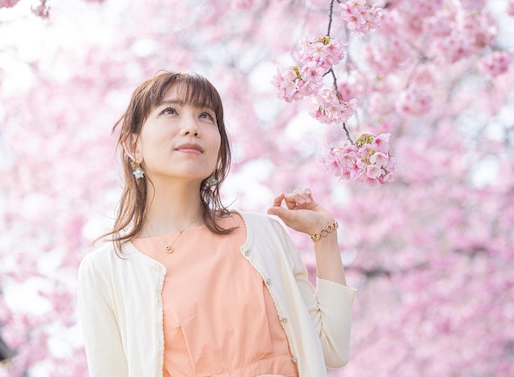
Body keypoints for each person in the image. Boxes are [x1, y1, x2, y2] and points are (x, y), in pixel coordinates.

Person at [77, 71, 356, 377]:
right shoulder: (107, 270)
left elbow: (331, 347)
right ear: (134, 146)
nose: (191, 127)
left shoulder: (264, 235)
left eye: (205, 115)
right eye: (171, 111)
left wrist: (323, 236)